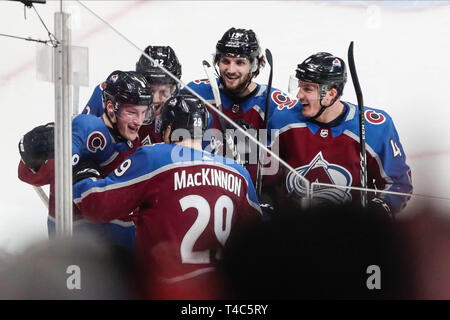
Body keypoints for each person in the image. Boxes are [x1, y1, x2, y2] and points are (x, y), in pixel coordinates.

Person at [73, 90, 262, 299]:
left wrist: (83, 177)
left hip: (164, 290)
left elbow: (97, 205)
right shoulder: (238, 173)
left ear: (168, 129)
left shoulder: (156, 157)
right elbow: (257, 240)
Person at [18, 70, 152, 252]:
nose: (139, 120)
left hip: (115, 256)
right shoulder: (87, 130)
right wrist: (33, 158)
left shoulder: (133, 143)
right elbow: (30, 175)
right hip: (78, 252)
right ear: (111, 107)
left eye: (143, 112)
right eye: (132, 112)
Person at [266, 52, 413, 216]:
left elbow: (398, 183)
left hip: (349, 232)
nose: (299, 95)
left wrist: (381, 208)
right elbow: (262, 174)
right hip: (289, 228)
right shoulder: (283, 118)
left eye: (307, 89)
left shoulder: (375, 127)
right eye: (299, 86)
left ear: (330, 94)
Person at [186, 27, 300, 182]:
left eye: (240, 62)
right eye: (226, 61)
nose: (231, 70)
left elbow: (295, 158)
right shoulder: (195, 93)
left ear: (254, 65)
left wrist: (259, 150)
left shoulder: (274, 105)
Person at [83, 45, 182, 145]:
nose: (155, 99)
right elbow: (83, 134)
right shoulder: (111, 94)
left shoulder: (183, 108)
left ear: (173, 89)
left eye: (163, 92)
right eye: (151, 90)